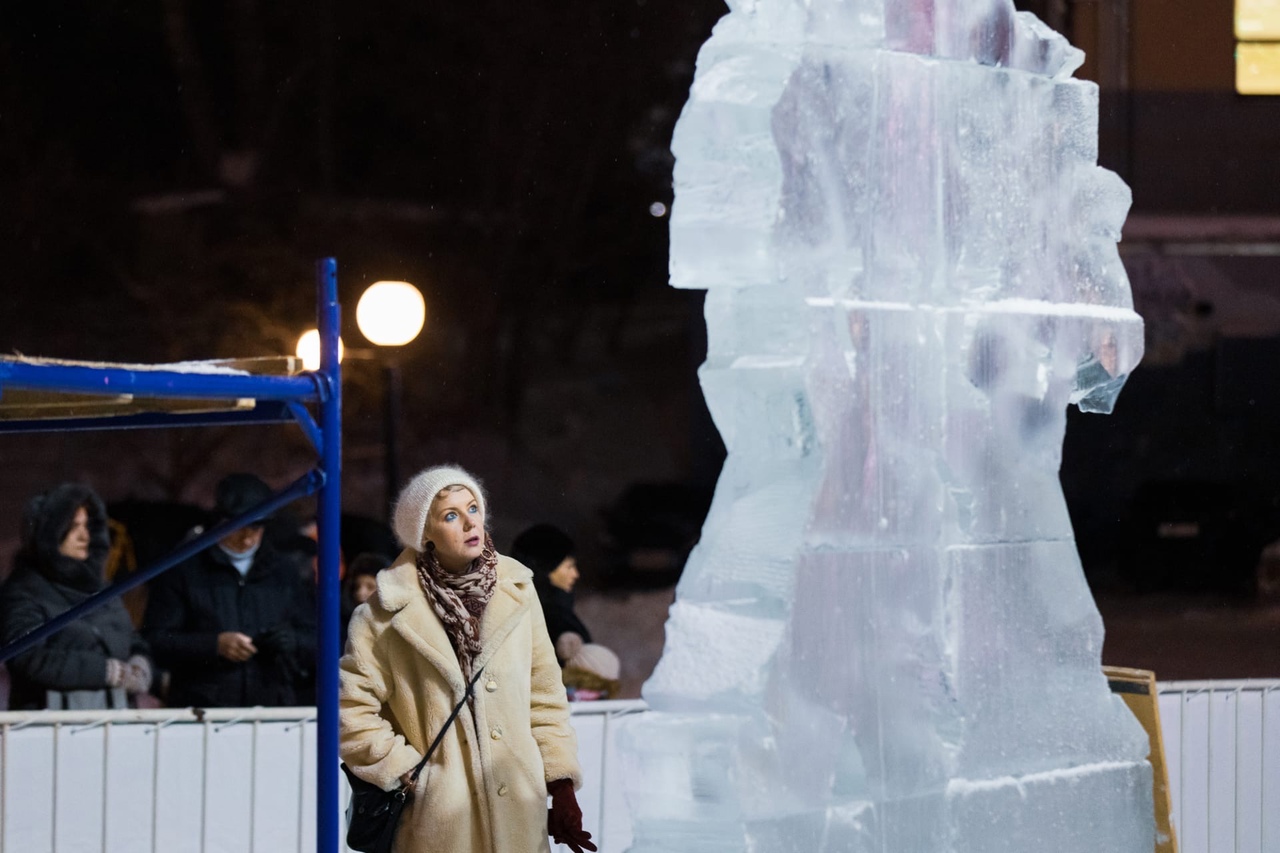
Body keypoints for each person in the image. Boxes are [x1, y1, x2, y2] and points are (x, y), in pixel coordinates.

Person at [339, 465, 595, 853]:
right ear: (424, 533)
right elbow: (352, 713)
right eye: (451, 515)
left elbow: (545, 700)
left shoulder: (519, 592)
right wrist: (413, 776)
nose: (469, 523)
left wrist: (560, 786)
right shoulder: (381, 617)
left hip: (519, 820)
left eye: (473, 508)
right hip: (438, 827)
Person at [143, 473, 316, 707]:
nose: (247, 539)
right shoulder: (183, 570)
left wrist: (292, 640)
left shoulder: (284, 572)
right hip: (202, 711)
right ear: (220, 521)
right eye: (240, 528)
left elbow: (318, 637)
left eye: (256, 528)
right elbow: (156, 640)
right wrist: (213, 645)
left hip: (271, 707)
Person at [0, 483, 152, 710]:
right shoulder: (23, 590)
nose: (85, 536)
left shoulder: (101, 587)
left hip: (115, 721)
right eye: (72, 527)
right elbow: (28, 657)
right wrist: (105, 671)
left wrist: (141, 663)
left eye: (87, 526)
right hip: (51, 726)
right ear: (49, 533)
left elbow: (131, 638)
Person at [340, 551, 390, 650]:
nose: (360, 593)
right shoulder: (343, 626)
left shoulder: (398, 625)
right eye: (356, 587)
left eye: (370, 587)